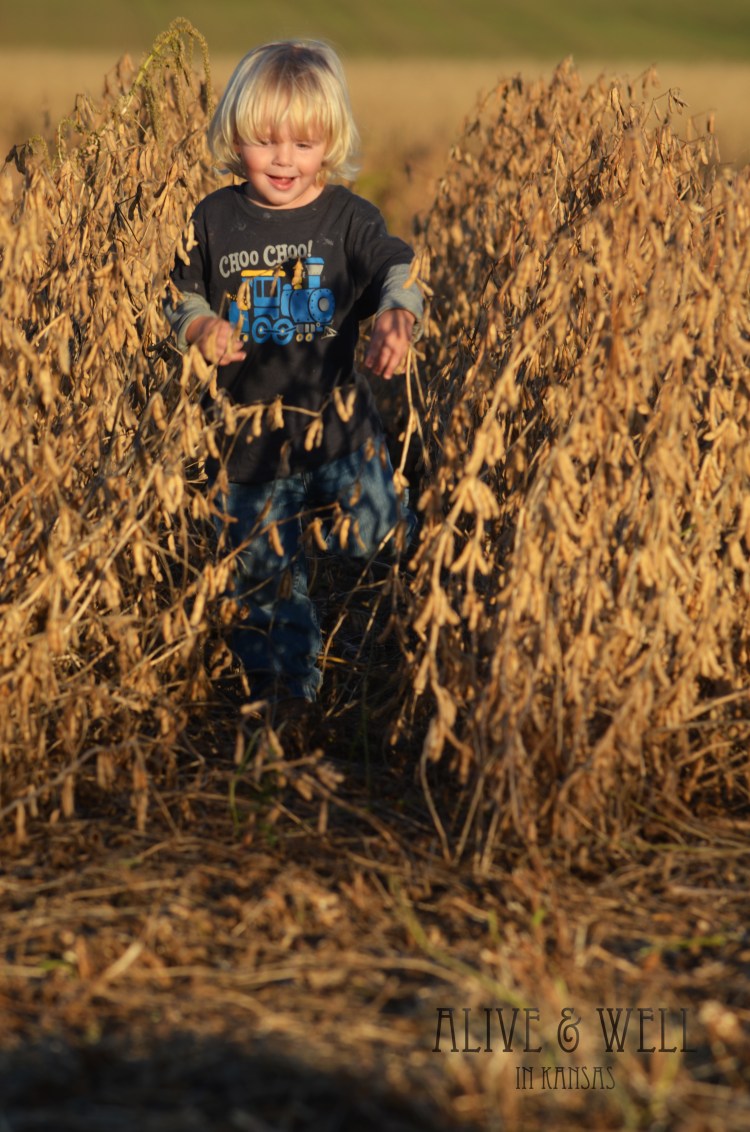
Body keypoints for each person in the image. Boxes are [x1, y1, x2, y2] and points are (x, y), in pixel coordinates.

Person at [164, 39, 423, 713]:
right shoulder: (213, 219)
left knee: (374, 535)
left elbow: (399, 268)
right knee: (263, 579)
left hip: (340, 432)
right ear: (234, 138)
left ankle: (420, 551)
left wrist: (397, 316)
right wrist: (199, 327)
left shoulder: (348, 219)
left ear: (331, 143)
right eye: (265, 140)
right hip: (249, 446)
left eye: (304, 144)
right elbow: (180, 295)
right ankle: (288, 699)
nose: (284, 159)